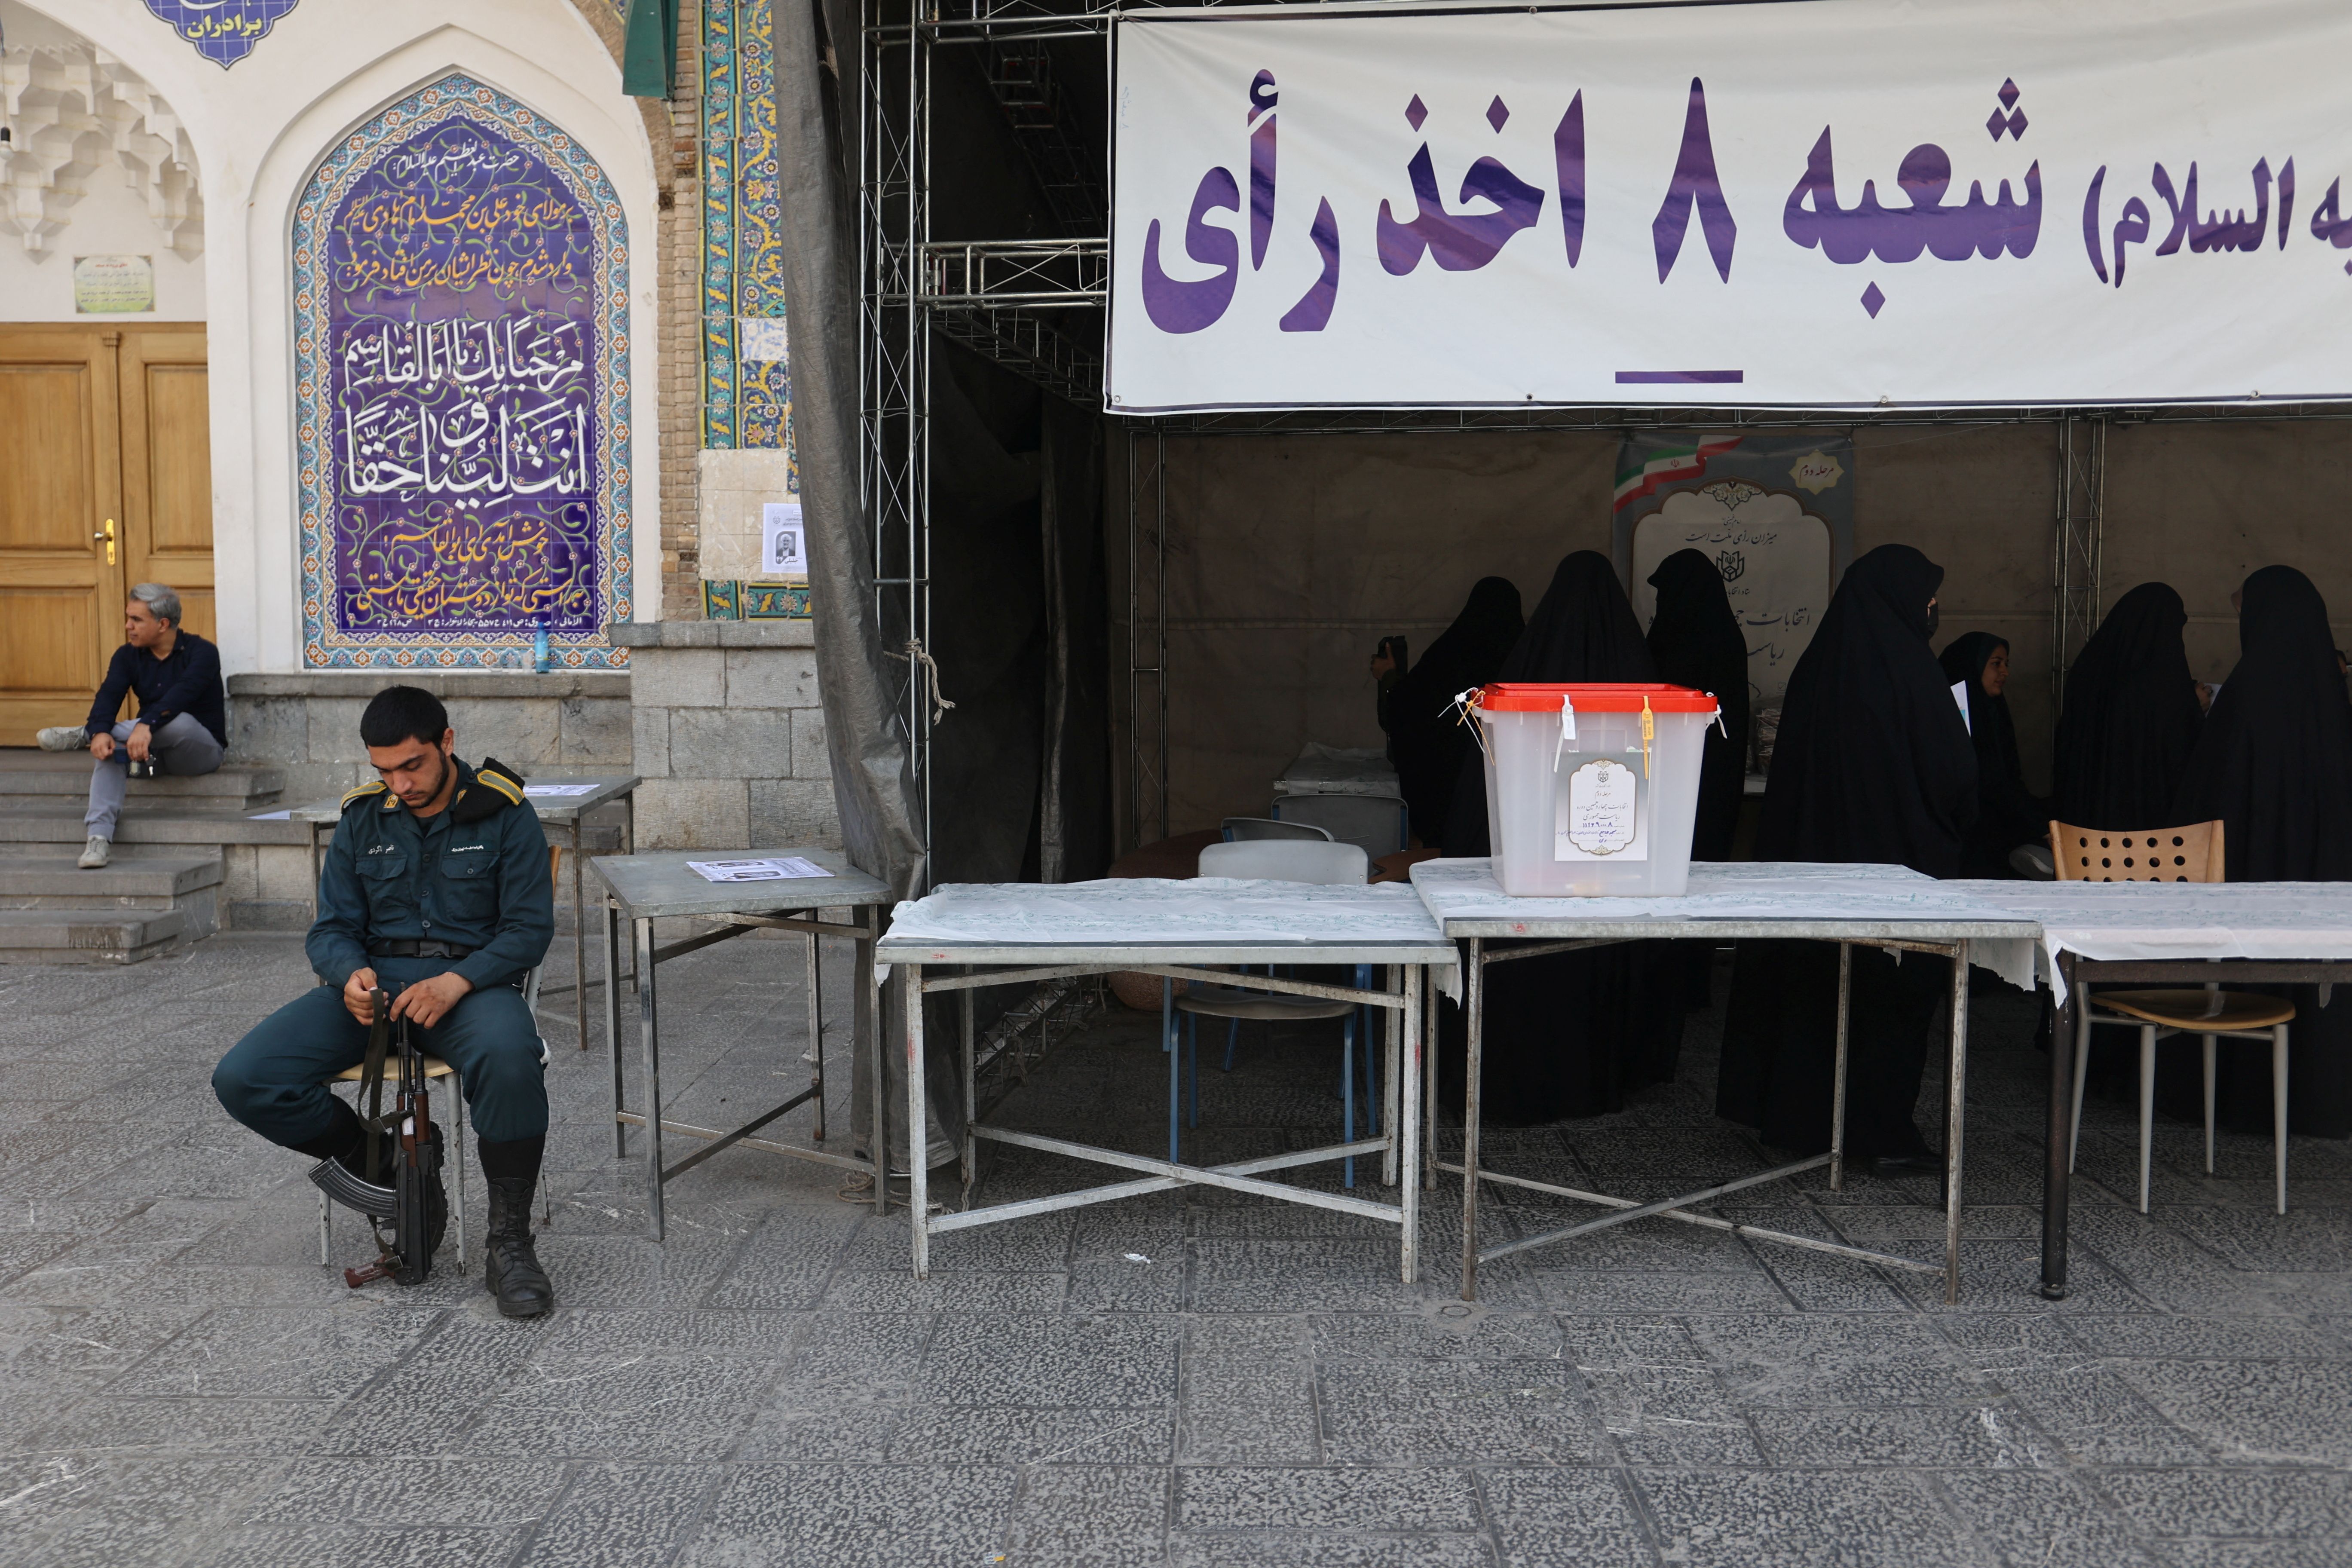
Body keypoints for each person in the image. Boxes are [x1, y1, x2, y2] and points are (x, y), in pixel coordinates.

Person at [211, 686, 559, 1315]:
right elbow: (332, 928)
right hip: (374, 993)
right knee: (246, 1078)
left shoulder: (506, 812)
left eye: (412, 766)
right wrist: (349, 975)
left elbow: (528, 929)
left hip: (470, 988)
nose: (400, 784)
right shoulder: (363, 818)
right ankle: (393, 1176)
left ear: (447, 744)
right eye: (385, 771)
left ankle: (509, 1242)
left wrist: (459, 982)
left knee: (511, 1057)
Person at [1717, 545, 1978, 1166]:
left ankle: (1802, 1121)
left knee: (1813, 996)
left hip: (1814, 881)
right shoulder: (1915, 675)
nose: (1934, 609)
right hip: (1900, 884)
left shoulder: (1816, 671)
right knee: (1888, 1006)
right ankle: (1878, 1131)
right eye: (1929, 597)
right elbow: (1955, 776)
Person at [1436, 551, 1685, 1121]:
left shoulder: (1526, 673)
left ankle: (1504, 1078)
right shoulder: (1637, 677)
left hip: (1528, 876)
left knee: (1526, 965)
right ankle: (1594, 1078)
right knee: (1592, 956)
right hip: (1614, 862)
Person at [2166, 565, 2352, 1137]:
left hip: (2245, 898)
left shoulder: (2246, 696)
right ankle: (2322, 1100)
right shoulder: (2332, 700)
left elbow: (2203, 805)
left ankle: (2242, 1096)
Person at [35, 585, 225, 870]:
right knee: (108, 750)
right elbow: (110, 694)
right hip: (149, 755)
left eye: (136, 620)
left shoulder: (203, 652)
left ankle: (83, 735)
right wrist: (102, 731)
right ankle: (98, 839)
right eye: (128, 618)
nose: (128, 627)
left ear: (163, 624)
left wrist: (145, 723)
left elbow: (184, 694)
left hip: (199, 752)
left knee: (180, 720)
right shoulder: (127, 655)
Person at [1372, 576, 1523, 845]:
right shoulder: (1525, 658)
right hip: (1513, 795)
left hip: (1454, 799)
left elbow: (1413, 707)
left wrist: (1390, 677)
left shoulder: (1451, 653)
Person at [2051, 582, 2205, 831]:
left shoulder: (2090, 669)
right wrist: (2193, 707)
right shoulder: (2160, 685)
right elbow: (2177, 755)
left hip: (2083, 829)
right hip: (2145, 840)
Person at [1939, 632, 2050, 877]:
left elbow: (2007, 779)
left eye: (2006, 665)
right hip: (1962, 841)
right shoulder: (1946, 716)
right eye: (1996, 664)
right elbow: (1992, 781)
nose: (2005, 673)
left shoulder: (1993, 712)